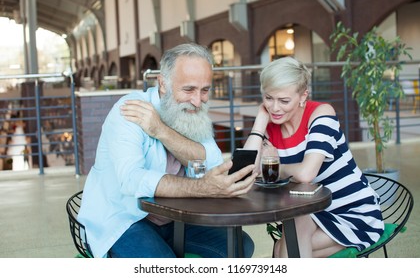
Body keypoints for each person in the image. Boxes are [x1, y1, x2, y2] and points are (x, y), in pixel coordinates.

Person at [78, 43, 257, 258]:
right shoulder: (129, 110)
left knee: (240, 246)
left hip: (176, 220)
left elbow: (212, 162)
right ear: (163, 84)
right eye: (189, 89)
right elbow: (132, 180)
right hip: (126, 219)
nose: (197, 100)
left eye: (205, 90)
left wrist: (161, 130)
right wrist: (202, 187)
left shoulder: (191, 111)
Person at [243, 56, 384, 258]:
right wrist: (259, 122)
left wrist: (277, 166)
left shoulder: (321, 114)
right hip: (313, 212)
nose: (274, 108)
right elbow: (249, 172)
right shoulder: (270, 124)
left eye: (284, 100)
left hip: (354, 213)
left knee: (286, 251)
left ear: (303, 96)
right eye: (268, 98)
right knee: (288, 244)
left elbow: (306, 174)